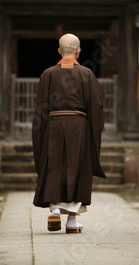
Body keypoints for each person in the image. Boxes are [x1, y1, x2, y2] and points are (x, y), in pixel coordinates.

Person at [32, 33, 106, 234]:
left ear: (59, 51)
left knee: (54, 165)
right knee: (77, 166)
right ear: (78, 50)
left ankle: (55, 210)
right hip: (78, 126)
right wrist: (93, 128)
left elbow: (40, 107)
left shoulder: (47, 74)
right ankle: (72, 222)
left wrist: (42, 131)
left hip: (54, 124)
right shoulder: (86, 74)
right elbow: (96, 104)